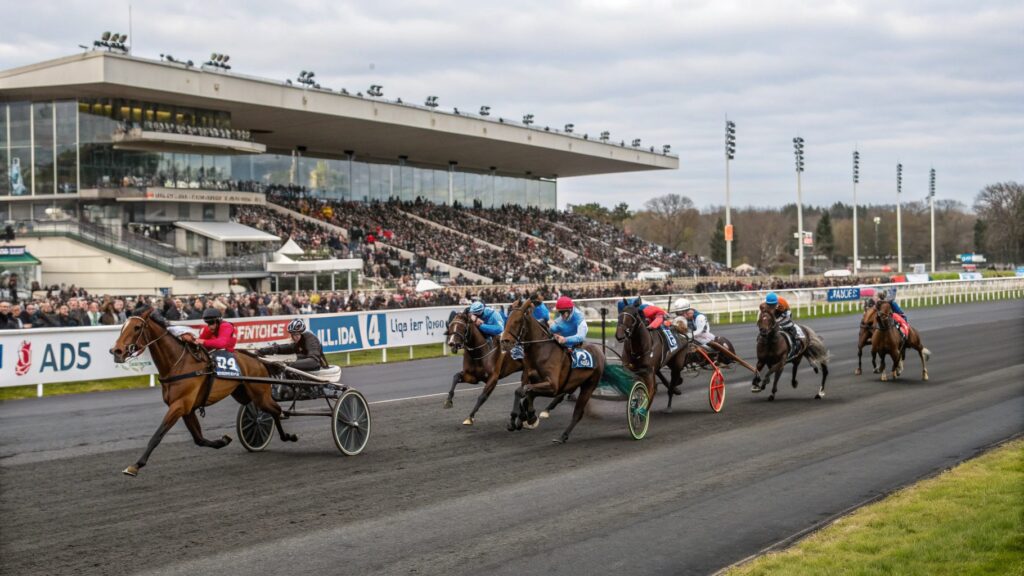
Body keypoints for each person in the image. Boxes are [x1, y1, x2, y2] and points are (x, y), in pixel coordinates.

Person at [256, 318, 328, 372]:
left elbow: (314, 362)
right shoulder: (300, 341)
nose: (295, 337)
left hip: (319, 368)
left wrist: (288, 365)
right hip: (307, 364)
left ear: (302, 333)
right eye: (293, 334)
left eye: (297, 334)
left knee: (290, 360)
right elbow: (287, 348)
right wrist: (267, 350)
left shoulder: (311, 340)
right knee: (287, 357)